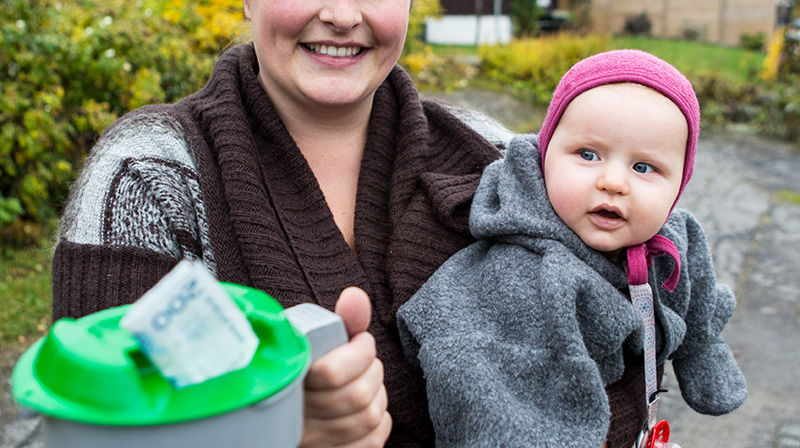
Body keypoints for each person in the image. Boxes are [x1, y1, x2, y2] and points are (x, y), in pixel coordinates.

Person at [48, 0, 682, 442]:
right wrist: (271, 433)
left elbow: (619, 351)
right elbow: (98, 428)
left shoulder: (502, 164)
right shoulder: (148, 179)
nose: (343, 16)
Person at [397, 50, 748, 447]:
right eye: (588, 155)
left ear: (678, 185)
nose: (613, 181)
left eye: (644, 168)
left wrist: (702, 352)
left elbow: (695, 300)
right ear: (545, 156)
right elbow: (483, 381)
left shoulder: (673, 239)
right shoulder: (520, 276)